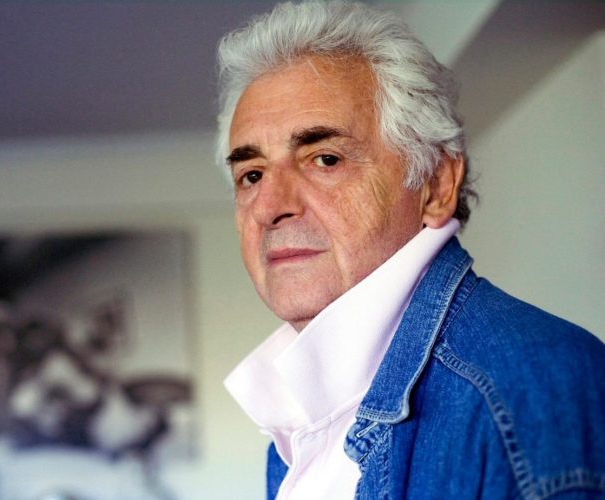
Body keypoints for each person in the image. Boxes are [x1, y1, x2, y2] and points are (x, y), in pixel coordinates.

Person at [216, 2, 605, 499]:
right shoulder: (295, 422)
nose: (270, 206)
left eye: (325, 159)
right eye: (251, 175)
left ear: (437, 185)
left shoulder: (538, 385)